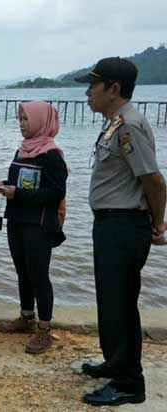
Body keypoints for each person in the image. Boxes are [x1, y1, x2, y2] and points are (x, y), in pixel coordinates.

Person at [75, 57, 166, 406]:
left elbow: (155, 182)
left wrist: (158, 224)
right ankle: (116, 363)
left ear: (113, 89)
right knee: (110, 301)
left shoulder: (129, 126)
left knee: (121, 304)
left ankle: (129, 382)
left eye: (92, 86)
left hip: (125, 224)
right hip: (112, 223)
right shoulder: (116, 122)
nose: (87, 93)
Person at [0, 101, 68, 355]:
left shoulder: (52, 154)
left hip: (40, 223)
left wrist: (17, 193)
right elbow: (17, 181)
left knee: (38, 275)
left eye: (26, 120)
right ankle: (26, 317)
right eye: (20, 120)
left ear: (40, 121)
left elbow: (55, 194)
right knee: (22, 272)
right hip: (18, 220)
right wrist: (1, 186)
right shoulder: (22, 150)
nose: (22, 125)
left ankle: (44, 328)